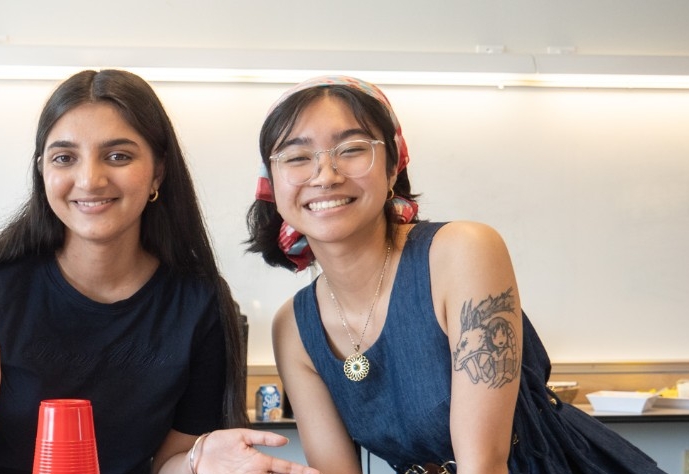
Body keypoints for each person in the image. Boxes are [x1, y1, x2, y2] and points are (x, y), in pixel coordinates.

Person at [247, 75, 663, 474]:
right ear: (273, 184)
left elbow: (484, 465)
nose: (325, 174)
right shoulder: (295, 327)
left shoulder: (462, 251)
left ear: (393, 167)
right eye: (297, 157)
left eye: (352, 149)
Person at [0, 69, 317, 474]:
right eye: (64, 158)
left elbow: (170, 463)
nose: (90, 179)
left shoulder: (197, 302)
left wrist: (196, 463)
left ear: (158, 170)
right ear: (42, 170)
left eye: (118, 156)